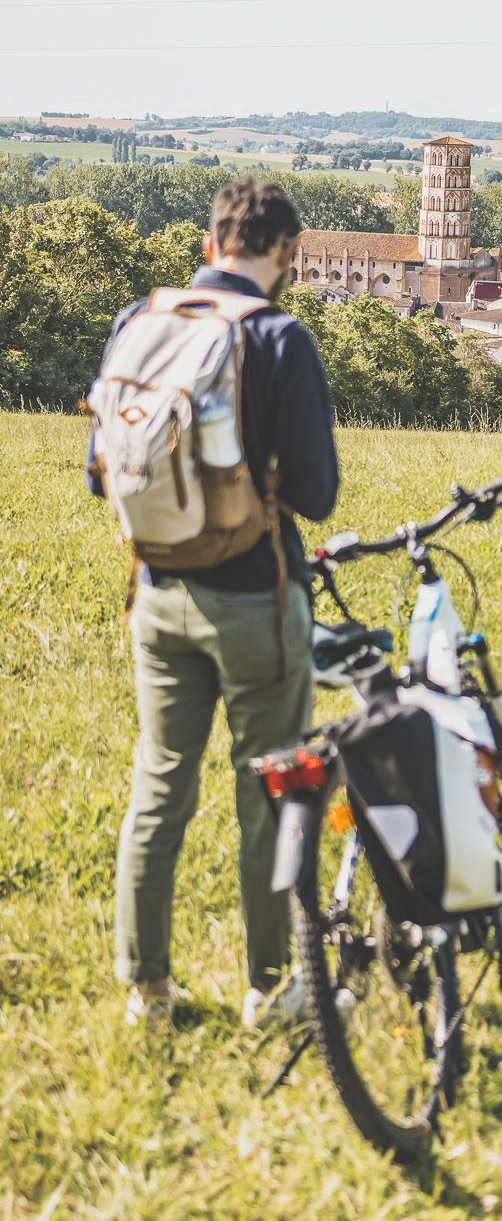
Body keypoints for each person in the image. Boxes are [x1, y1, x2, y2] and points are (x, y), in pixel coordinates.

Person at [86, 178, 339, 1027]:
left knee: (160, 783)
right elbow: (316, 491)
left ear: (210, 245)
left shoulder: (140, 320)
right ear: (288, 254)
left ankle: (146, 989)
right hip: (254, 603)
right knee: (271, 791)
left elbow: (104, 470)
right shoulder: (277, 338)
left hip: (156, 593)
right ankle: (273, 987)